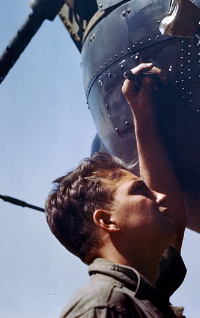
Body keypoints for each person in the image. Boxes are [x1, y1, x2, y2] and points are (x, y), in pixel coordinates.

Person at [46, 63, 188, 318]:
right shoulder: (103, 306)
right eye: (140, 191)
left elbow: (173, 221)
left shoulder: (140, 292)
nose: (161, 196)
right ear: (106, 220)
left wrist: (142, 115)